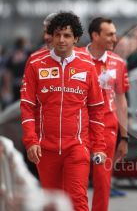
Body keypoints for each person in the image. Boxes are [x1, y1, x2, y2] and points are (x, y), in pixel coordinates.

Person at [20, 11, 107, 211]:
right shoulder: (35, 62)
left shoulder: (87, 65)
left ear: (76, 38)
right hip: (45, 148)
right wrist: (31, 141)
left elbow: (96, 109)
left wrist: (99, 146)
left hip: (77, 147)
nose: (61, 40)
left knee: (77, 200)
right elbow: (27, 105)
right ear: (51, 35)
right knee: (52, 204)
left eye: (67, 36)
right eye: (58, 34)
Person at [82, 17, 129, 211]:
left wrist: (124, 137)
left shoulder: (117, 62)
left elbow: (121, 101)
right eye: (109, 34)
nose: (114, 38)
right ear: (95, 35)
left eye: (114, 33)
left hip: (107, 127)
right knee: (77, 177)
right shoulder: (77, 58)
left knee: (103, 181)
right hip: (80, 125)